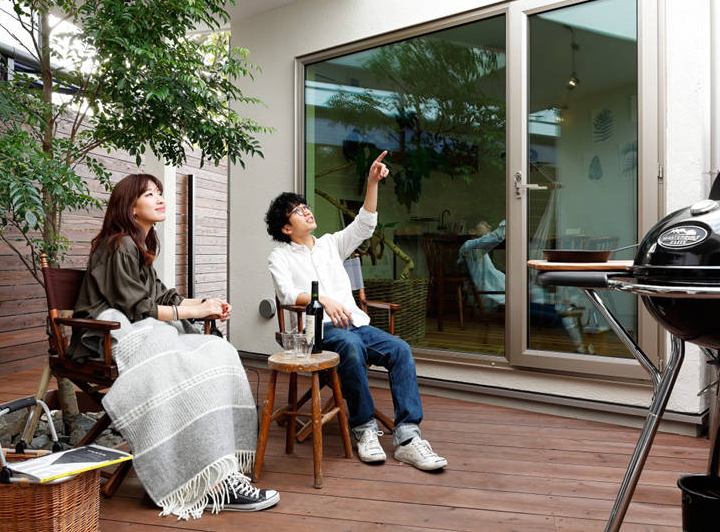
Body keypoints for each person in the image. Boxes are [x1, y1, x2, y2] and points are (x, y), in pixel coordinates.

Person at [72, 173, 279, 519]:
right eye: (149, 194)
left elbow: (162, 296)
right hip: (104, 338)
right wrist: (193, 311)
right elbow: (138, 308)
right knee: (184, 363)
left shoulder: (139, 245)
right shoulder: (119, 245)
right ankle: (212, 481)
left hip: (133, 329)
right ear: (130, 207)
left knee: (219, 351)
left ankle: (219, 467)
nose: (159, 199)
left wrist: (206, 303)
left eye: (160, 193)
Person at [264, 152, 447, 472]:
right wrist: (322, 300)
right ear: (286, 227)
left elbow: (365, 224)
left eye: (305, 206)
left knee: (400, 349)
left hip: (356, 324)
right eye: (297, 210)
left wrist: (372, 182)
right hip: (318, 332)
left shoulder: (331, 244)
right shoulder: (280, 257)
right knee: (350, 346)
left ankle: (408, 437)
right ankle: (364, 429)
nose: (306, 210)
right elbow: (287, 294)